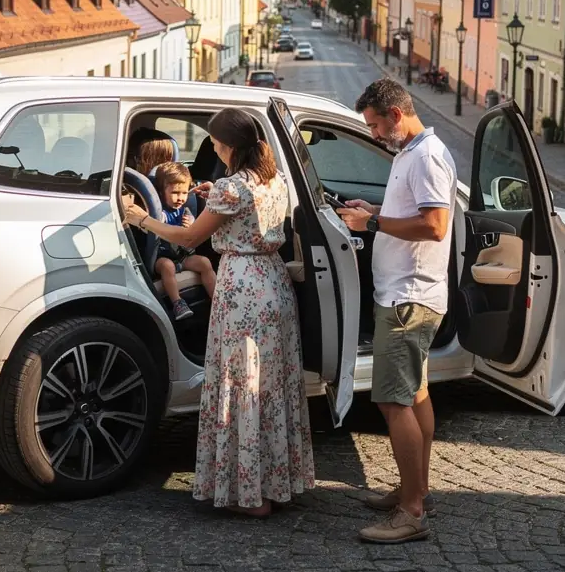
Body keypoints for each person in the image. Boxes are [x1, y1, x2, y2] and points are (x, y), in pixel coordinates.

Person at [124, 107, 314, 517]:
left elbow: (191, 235)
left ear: (225, 146)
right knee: (269, 385)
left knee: (241, 384)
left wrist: (143, 220)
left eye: (213, 140)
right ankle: (277, 484)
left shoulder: (233, 188)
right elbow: (247, 211)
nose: (211, 145)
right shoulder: (272, 178)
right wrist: (215, 196)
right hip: (273, 284)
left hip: (242, 289)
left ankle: (252, 496)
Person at [337, 78, 457, 544]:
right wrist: (376, 209)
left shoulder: (425, 156)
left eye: (374, 125)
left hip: (409, 299)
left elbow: (435, 225)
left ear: (395, 113)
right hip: (406, 293)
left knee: (393, 400)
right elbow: (413, 210)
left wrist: (373, 221)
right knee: (417, 395)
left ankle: (410, 513)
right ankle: (417, 488)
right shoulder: (412, 152)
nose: (372, 134)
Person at [152, 161, 216, 320]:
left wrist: (192, 226)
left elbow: (194, 235)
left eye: (184, 192)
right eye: (175, 193)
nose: (180, 198)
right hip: (163, 257)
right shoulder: (161, 213)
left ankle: (217, 301)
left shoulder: (185, 211)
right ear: (161, 192)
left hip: (182, 256)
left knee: (205, 263)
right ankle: (178, 303)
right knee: (167, 266)